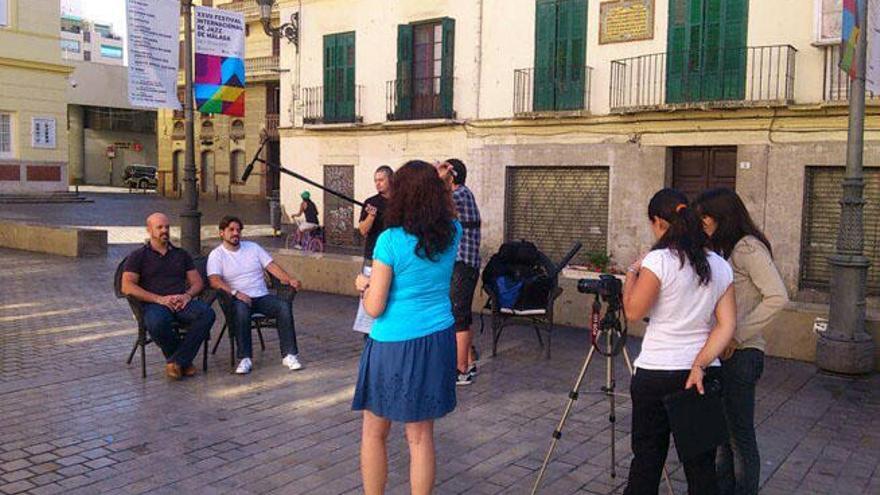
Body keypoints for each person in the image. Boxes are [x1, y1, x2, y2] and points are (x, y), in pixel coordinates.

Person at [352, 160, 462, 495]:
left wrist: (363, 285)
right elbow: (450, 207)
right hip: (437, 337)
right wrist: (440, 179)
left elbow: (375, 306)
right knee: (421, 436)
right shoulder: (451, 232)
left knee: (374, 432)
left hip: (393, 343)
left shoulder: (390, 241)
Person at [622, 188, 737, 495]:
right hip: (699, 375)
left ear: (659, 222)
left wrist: (632, 272)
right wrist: (699, 363)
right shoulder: (720, 264)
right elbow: (726, 325)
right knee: (701, 468)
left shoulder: (658, 261)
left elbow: (633, 311)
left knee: (647, 461)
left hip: (656, 372)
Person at [694, 188, 789, 495]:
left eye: (705, 218)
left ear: (722, 217)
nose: (702, 224)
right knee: (724, 435)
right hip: (725, 352)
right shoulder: (725, 248)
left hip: (743, 353)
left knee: (739, 436)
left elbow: (777, 296)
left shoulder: (747, 248)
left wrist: (737, 333)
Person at [121, 212, 216, 380]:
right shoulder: (138, 256)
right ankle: (183, 361)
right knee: (156, 322)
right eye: (159, 227)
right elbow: (127, 286)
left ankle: (177, 361)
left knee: (207, 314)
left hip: (181, 302)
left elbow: (198, 283)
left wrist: (187, 296)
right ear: (149, 230)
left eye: (167, 227)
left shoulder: (181, 254)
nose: (164, 230)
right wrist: (158, 299)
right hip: (154, 303)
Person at [207, 216, 305, 374]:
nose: (235, 233)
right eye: (231, 230)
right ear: (221, 233)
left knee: (283, 306)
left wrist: (289, 279)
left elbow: (271, 266)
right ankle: (245, 358)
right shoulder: (217, 255)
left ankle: (289, 355)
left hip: (261, 297)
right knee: (241, 310)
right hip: (238, 299)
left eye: (238, 230)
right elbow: (214, 281)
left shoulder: (253, 248)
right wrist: (236, 293)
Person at [440, 158, 482, 385]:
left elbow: (435, 200)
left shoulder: (460, 195)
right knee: (460, 315)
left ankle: (461, 370)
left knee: (459, 317)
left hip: (463, 266)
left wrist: (440, 177)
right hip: (462, 266)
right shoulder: (461, 195)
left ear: (452, 176)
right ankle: (469, 361)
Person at [353, 166, 393, 335]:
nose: (377, 184)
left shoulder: (401, 201)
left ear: (391, 179)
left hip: (394, 257)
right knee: (369, 293)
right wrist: (371, 216)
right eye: (375, 180)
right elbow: (362, 230)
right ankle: (368, 332)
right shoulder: (371, 202)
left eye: (381, 180)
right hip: (372, 256)